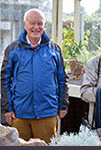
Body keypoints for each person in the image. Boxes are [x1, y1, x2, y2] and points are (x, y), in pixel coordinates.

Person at [1, 9, 68, 142]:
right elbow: (4, 80)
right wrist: (7, 108)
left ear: (44, 25)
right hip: (19, 114)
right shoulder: (13, 49)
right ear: (25, 24)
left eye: (40, 23)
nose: (36, 27)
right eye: (32, 23)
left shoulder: (55, 49)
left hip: (47, 113)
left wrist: (63, 105)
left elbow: (62, 79)